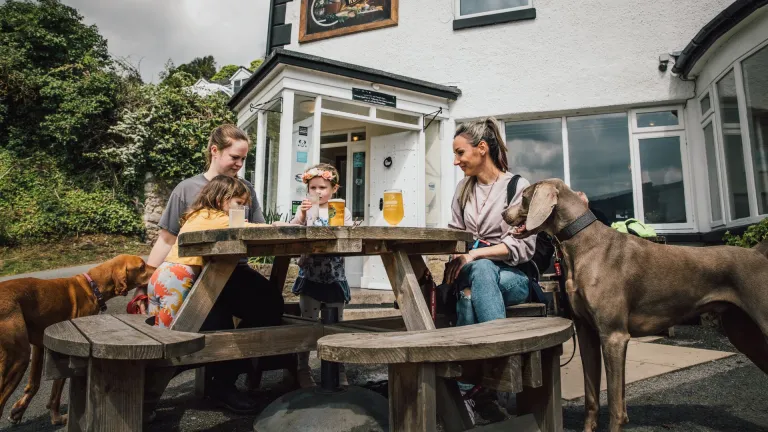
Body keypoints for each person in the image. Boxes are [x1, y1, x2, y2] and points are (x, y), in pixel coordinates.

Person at [143, 124, 284, 415]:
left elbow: (257, 231)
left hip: (235, 271)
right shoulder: (187, 188)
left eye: (244, 159)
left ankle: (226, 380)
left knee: (271, 303)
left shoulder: (246, 190)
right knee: (206, 321)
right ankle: (156, 391)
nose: (239, 164)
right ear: (215, 150)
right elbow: (167, 239)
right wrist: (145, 277)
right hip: (194, 275)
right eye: (234, 157)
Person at [445, 117, 537, 327]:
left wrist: (474, 254)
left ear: (482, 148)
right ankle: (501, 354)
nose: (456, 161)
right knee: (482, 269)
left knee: (470, 296)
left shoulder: (517, 187)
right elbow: (455, 234)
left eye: (460, 153)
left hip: (512, 277)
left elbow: (522, 245)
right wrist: (459, 255)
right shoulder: (463, 188)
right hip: (470, 273)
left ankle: (468, 359)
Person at [147, 175, 269, 327]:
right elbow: (253, 230)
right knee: (171, 334)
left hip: (161, 274)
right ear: (220, 199)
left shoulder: (198, 214)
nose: (242, 209)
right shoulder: (218, 218)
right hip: (178, 279)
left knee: (155, 329)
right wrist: (276, 227)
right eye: (238, 203)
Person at [288, 163, 353, 388]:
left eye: (323, 187)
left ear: (334, 189)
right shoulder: (305, 209)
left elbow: (348, 232)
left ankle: (338, 367)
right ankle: (302, 369)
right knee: (307, 324)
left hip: (334, 275)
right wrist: (303, 215)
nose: (317, 192)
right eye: (313, 187)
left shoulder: (340, 210)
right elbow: (292, 229)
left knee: (337, 325)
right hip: (311, 274)